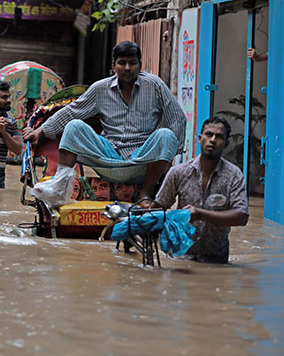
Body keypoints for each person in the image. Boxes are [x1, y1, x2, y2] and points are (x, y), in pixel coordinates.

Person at [23, 41, 186, 206]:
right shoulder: (101, 88)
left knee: (166, 135)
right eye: (122, 63)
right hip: (108, 157)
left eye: (132, 63)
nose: (127, 68)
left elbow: (178, 118)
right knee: (74, 127)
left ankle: (146, 192)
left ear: (140, 64)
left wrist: (169, 158)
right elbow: (72, 111)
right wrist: (40, 131)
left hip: (143, 160)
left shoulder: (154, 85)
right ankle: (59, 187)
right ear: (114, 65)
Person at [155, 115, 249, 263]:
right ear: (200, 138)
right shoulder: (178, 172)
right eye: (209, 134)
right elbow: (158, 208)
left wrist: (200, 214)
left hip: (217, 261)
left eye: (219, 137)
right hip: (179, 259)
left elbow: (242, 216)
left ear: (226, 143)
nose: (212, 140)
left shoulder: (234, 175)